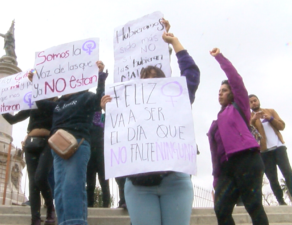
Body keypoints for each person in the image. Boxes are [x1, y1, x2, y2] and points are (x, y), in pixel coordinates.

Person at [101, 19, 200, 225]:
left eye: (154, 78)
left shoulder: (176, 97)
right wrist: (108, 112)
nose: (148, 82)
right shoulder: (128, 105)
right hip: (138, 186)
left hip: (175, 181)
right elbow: (112, 135)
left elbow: (191, 73)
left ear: (166, 83)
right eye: (144, 79)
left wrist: (175, 43)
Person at [33, 61, 107, 225]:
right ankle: (64, 222)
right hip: (58, 149)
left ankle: (76, 222)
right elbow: (38, 101)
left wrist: (100, 76)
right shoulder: (58, 104)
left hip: (78, 146)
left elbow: (98, 100)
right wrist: (35, 82)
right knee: (59, 189)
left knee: (73, 186)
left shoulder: (85, 97)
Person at [208, 48, 269, 225]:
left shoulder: (239, 107)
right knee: (221, 210)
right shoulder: (214, 124)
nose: (220, 93)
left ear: (233, 94)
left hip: (247, 159)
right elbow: (214, 153)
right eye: (219, 90)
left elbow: (236, 80)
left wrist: (219, 57)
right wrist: (216, 177)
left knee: (253, 205)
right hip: (227, 169)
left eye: (224, 90)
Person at [0, 97, 56, 225]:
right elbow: (13, 119)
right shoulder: (32, 103)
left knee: (40, 177)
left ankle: (50, 208)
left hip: (48, 144)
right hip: (31, 145)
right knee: (33, 183)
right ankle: (35, 219)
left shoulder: (57, 103)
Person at [249, 94, 292, 205]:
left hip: (279, 148)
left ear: (258, 101)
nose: (254, 103)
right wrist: (253, 121)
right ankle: (281, 201)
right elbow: (249, 134)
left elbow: (282, 126)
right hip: (264, 152)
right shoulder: (250, 118)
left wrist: (270, 118)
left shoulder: (270, 111)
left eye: (255, 100)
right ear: (249, 105)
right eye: (251, 102)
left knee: (288, 173)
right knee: (273, 178)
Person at [86, 61, 110, 208]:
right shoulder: (81, 115)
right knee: (90, 182)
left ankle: (106, 205)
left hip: (100, 149)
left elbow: (100, 93)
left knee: (104, 180)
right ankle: (89, 206)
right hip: (88, 149)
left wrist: (100, 76)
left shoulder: (97, 111)